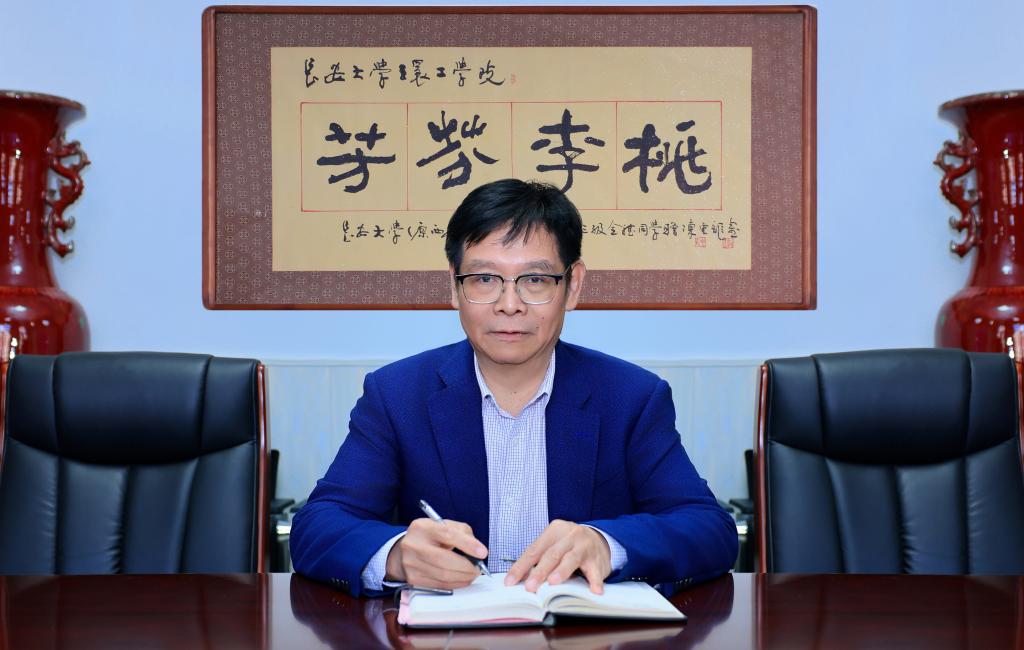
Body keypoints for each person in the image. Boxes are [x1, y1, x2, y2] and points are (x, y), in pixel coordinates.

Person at [290, 179, 737, 597]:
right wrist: (397, 555)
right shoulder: (397, 395)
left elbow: (707, 528)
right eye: (484, 279)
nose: (509, 305)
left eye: (535, 280)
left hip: (583, 635)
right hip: (447, 637)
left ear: (573, 286)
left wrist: (607, 544)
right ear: (454, 287)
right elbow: (318, 526)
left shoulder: (631, 397)